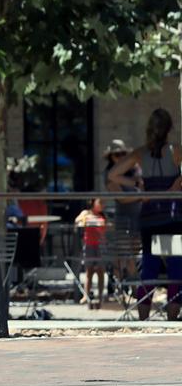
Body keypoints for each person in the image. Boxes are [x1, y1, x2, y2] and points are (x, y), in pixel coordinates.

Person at [109, 109, 182, 320]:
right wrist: (175, 186)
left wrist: (136, 186)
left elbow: (114, 174)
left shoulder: (141, 153)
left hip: (149, 217)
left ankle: (143, 318)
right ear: (169, 128)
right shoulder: (175, 150)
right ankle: (172, 317)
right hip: (172, 216)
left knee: (149, 265)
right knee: (176, 265)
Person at [103, 138, 142, 289]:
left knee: (134, 255)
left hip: (138, 217)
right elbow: (121, 198)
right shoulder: (110, 174)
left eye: (123, 154)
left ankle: (132, 289)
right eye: (117, 155)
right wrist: (141, 196)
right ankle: (126, 290)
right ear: (111, 157)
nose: (120, 157)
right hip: (123, 219)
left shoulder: (133, 170)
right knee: (125, 257)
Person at [74, 198, 108, 309]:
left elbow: (105, 229)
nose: (103, 205)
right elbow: (77, 221)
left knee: (100, 272)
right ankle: (86, 295)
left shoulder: (103, 215)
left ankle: (100, 296)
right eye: (101, 202)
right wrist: (87, 219)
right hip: (89, 245)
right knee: (89, 271)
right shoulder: (86, 213)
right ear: (93, 203)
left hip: (100, 245)